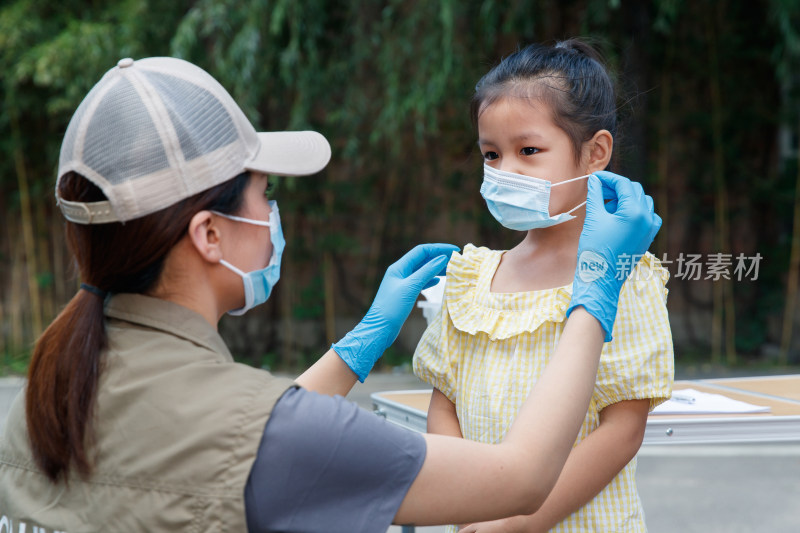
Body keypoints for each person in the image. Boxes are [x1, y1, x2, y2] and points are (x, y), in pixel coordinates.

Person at [0, 56, 661, 533]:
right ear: (207, 233)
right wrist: (596, 289)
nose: (274, 212)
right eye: (264, 192)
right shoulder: (270, 429)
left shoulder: (40, 402)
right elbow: (519, 477)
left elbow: (253, 440)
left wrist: (354, 348)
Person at [413, 40, 673, 532]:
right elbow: (444, 403)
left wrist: (518, 521)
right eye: (491, 154)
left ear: (595, 153)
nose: (505, 171)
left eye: (528, 151)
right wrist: (466, 504)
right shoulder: (474, 276)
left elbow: (623, 430)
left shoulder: (623, 275)